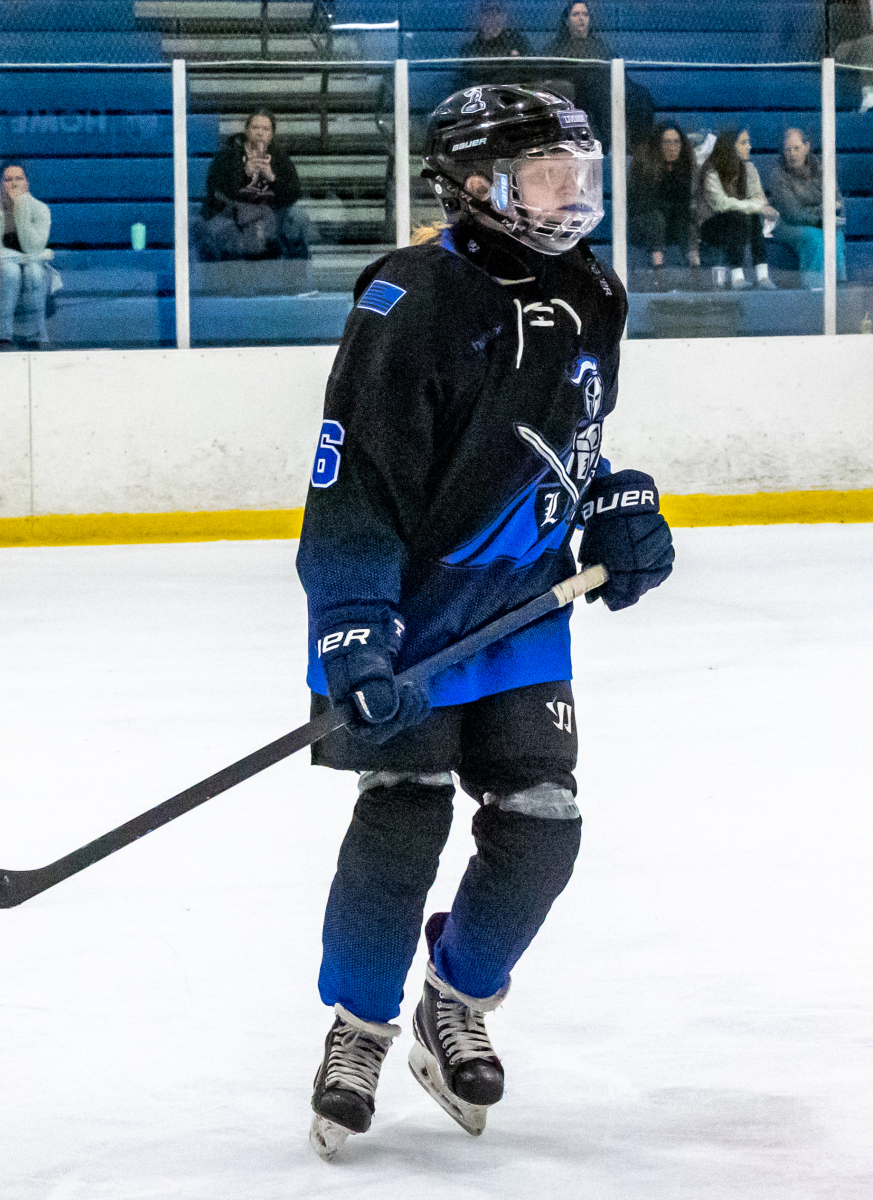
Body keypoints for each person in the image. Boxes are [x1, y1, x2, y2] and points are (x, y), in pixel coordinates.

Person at [298, 85, 674, 1160]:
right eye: (546, 176)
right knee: (402, 817)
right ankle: (358, 1028)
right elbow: (354, 483)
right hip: (408, 618)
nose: (572, 196)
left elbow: (568, 438)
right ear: (474, 185)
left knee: (544, 826)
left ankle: (454, 998)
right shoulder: (406, 300)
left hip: (519, 610)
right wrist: (352, 627)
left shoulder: (593, 290)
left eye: (578, 174)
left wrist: (612, 506)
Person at [194, 109, 311, 261]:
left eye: (265, 129)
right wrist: (244, 174)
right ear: (247, 130)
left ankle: (296, 270)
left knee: (299, 217)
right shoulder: (229, 155)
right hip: (234, 213)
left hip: (271, 214)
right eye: (255, 127)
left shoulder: (280, 158)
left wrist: (272, 177)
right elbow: (216, 191)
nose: (260, 133)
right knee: (217, 228)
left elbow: (294, 194)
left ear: (272, 134)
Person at [0, 161, 57, 350]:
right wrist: (24, 258)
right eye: (8, 179)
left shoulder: (41, 209)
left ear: (27, 184)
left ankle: (37, 334)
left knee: (34, 272)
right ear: (0, 184)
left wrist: (19, 208)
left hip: (34, 265)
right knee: (10, 271)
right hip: (0, 267)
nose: (14, 184)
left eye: (18, 178)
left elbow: (33, 247)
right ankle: (3, 335)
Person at [697, 129, 778, 290]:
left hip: (740, 224)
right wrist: (753, 206)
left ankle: (763, 276)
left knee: (752, 216)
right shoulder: (711, 170)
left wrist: (755, 207)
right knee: (738, 215)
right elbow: (721, 204)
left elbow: (759, 199)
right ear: (730, 147)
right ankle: (737, 278)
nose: (749, 146)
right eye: (743, 142)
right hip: (711, 226)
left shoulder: (749, 168)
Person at [769, 127, 847, 288]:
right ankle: (815, 290)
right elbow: (793, 214)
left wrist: (834, 213)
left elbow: (837, 200)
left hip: (819, 220)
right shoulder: (778, 175)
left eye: (796, 148)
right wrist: (822, 214)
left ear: (806, 147)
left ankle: (837, 289)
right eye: (787, 150)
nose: (792, 154)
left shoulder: (821, 168)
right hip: (787, 224)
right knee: (814, 237)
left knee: (836, 236)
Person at [627, 122, 700, 290]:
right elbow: (643, 204)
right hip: (644, 222)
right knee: (657, 219)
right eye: (667, 142)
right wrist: (669, 207)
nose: (672, 147)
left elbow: (684, 204)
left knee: (687, 221)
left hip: (672, 221)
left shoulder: (684, 167)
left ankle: (696, 274)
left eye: (676, 142)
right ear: (658, 145)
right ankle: (658, 276)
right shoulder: (645, 167)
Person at [540, 3, 614, 148]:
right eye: (576, 14)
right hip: (569, 100)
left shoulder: (600, 47)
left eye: (585, 14)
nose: (581, 18)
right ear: (567, 21)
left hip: (595, 100)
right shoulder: (556, 48)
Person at [456, 1, 532, 90]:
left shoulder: (518, 42)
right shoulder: (470, 49)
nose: (493, 16)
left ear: (505, 15)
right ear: (480, 16)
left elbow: (529, 75)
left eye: (497, 10)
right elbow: (467, 82)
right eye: (487, 11)